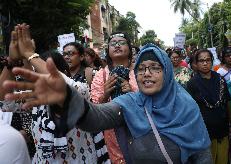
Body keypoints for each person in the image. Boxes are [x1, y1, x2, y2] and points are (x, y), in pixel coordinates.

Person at [3, 43, 213, 164]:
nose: (146, 73)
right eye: (141, 69)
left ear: (167, 73)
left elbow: (202, 156)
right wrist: (68, 99)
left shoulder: (187, 106)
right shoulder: (130, 102)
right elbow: (96, 118)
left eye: (155, 67)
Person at [0, 24, 110, 163]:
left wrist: (29, 54)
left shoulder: (80, 89)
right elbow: (5, 102)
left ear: (63, 73)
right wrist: (11, 61)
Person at [91, 31, 138, 163]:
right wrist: (105, 94)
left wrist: (132, 92)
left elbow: (151, 99)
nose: (117, 46)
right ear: (108, 50)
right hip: (113, 131)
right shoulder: (102, 74)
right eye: (113, 44)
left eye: (122, 43)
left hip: (139, 126)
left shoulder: (141, 70)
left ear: (129, 48)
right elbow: (95, 107)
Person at [186, 49, 230, 164]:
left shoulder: (220, 79)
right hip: (203, 134)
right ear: (196, 63)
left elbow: (227, 103)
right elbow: (189, 110)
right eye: (201, 61)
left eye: (207, 60)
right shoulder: (192, 83)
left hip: (222, 131)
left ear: (212, 61)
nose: (205, 63)